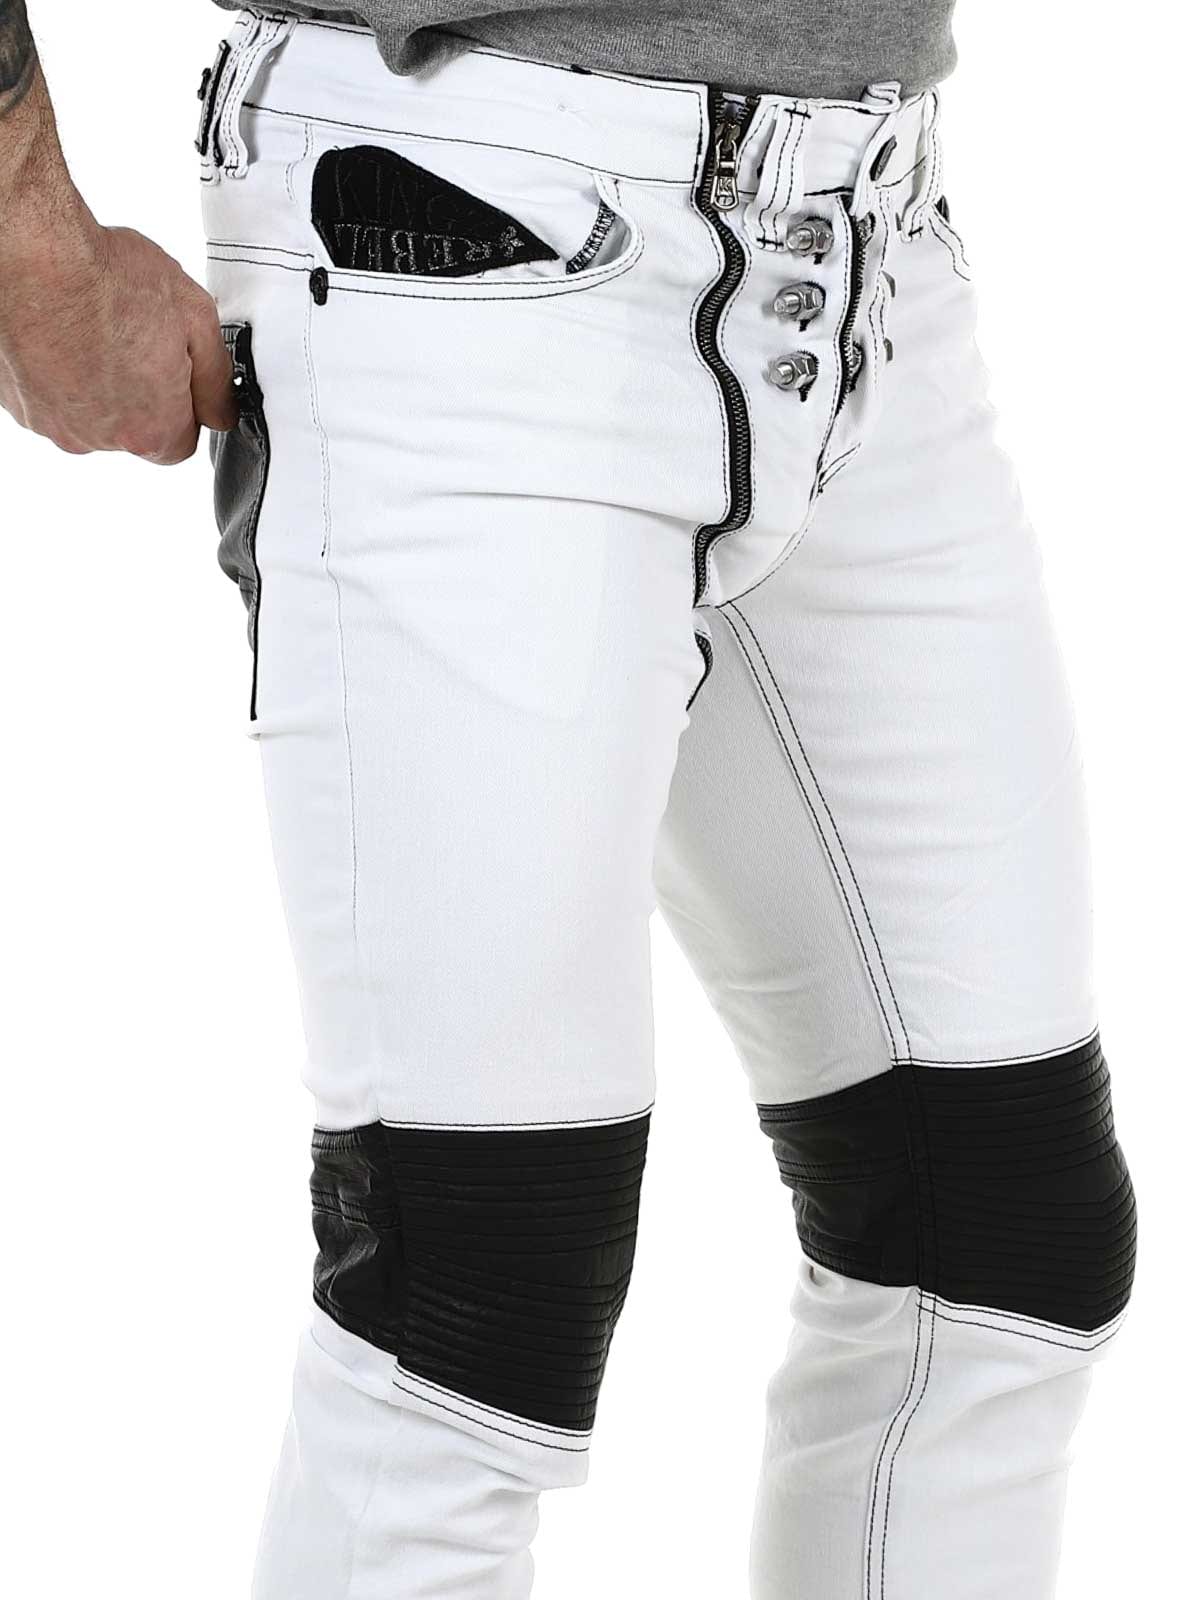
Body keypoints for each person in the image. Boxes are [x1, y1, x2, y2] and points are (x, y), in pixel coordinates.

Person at [0, 4, 1137, 1597]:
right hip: (454, 223)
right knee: (465, 1314)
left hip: (863, 245)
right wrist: (24, 232)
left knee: (997, 1245)